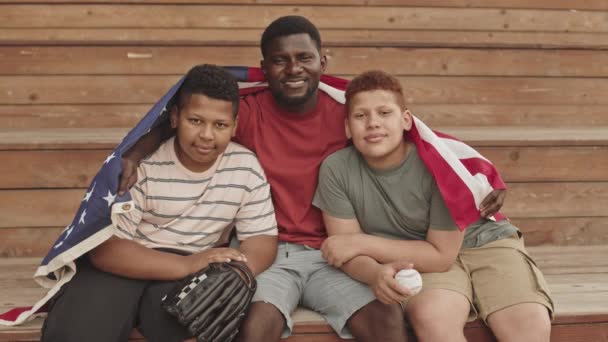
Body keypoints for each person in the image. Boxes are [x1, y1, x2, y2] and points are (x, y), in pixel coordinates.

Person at [120, 16, 505, 341]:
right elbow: (176, 120)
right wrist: (134, 155)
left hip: (333, 253)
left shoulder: (344, 113)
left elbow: (418, 138)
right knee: (254, 327)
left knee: (388, 321)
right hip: (268, 251)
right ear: (264, 66)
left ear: (323, 60)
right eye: (279, 61)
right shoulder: (248, 113)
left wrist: (483, 175)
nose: (293, 69)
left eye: (304, 57)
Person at [40, 64, 278, 342]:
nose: (206, 135)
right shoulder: (141, 165)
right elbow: (106, 251)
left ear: (235, 126)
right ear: (175, 117)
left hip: (189, 270)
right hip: (125, 263)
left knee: (198, 321)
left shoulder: (245, 166)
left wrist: (240, 269)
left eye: (220, 125)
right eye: (196, 121)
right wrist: (188, 265)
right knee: (78, 330)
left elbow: (261, 239)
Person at [313, 70, 554, 342]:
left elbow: (440, 254)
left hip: (484, 243)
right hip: (415, 254)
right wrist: (375, 274)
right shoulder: (336, 169)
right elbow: (345, 250)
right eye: (360, 116)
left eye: (384, 113)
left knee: (528, 325)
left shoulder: (438, 161)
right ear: (347, 127)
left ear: (406, 120)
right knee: (434, 320)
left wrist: (361, 242)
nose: (372, 123)